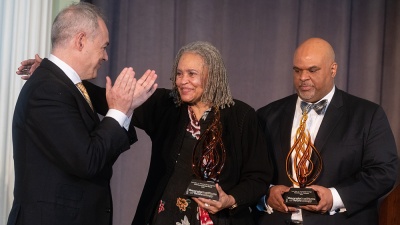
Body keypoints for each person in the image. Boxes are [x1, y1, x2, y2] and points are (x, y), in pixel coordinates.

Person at [17, 41, 274, 224]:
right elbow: (108, 99)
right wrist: (63, 76)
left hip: (219, 219)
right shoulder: (167, 105)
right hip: (164, 217)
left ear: (213, 75)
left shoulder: (242, 116)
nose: (183, 80)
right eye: (179, 73)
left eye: (192, 74)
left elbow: (258, 177)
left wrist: (230, 199)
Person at [8, 2, 157, 225]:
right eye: (103, 47)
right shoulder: (48, 89)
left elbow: (99, 159)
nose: (106, 56)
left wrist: (125, 110)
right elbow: (88, 161)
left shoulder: (64, 87)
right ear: (80, 40)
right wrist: (117, 110)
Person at [255, 37, 398, 225]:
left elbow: (383, 172)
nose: (303, 77)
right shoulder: (267, 115)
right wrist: (268, 192)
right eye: (297, 70)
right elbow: (251, 171)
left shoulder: (367, 115)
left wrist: (334, 197)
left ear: (333, 69)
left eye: (312, 70)